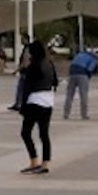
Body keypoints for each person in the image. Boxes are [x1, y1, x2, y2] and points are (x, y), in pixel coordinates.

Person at [19, 40, 58, 174]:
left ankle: (34, 160)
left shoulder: (34, 65)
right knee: (44, 134)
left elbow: (27, 87)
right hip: (48, 100)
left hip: (35, 99)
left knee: (25, 132)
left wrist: (22, 106)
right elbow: (55, 82)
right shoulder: (49, 63)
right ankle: (45, 163)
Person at [64, 48, 98, 120]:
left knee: (69, 95)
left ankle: (66, 114)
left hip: (72, 74)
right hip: (83, 74)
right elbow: (90, 69)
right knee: (83, 95)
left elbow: (72, 64)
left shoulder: (80, 54)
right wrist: (89, 77)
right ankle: (84, 115)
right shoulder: (94, 59)